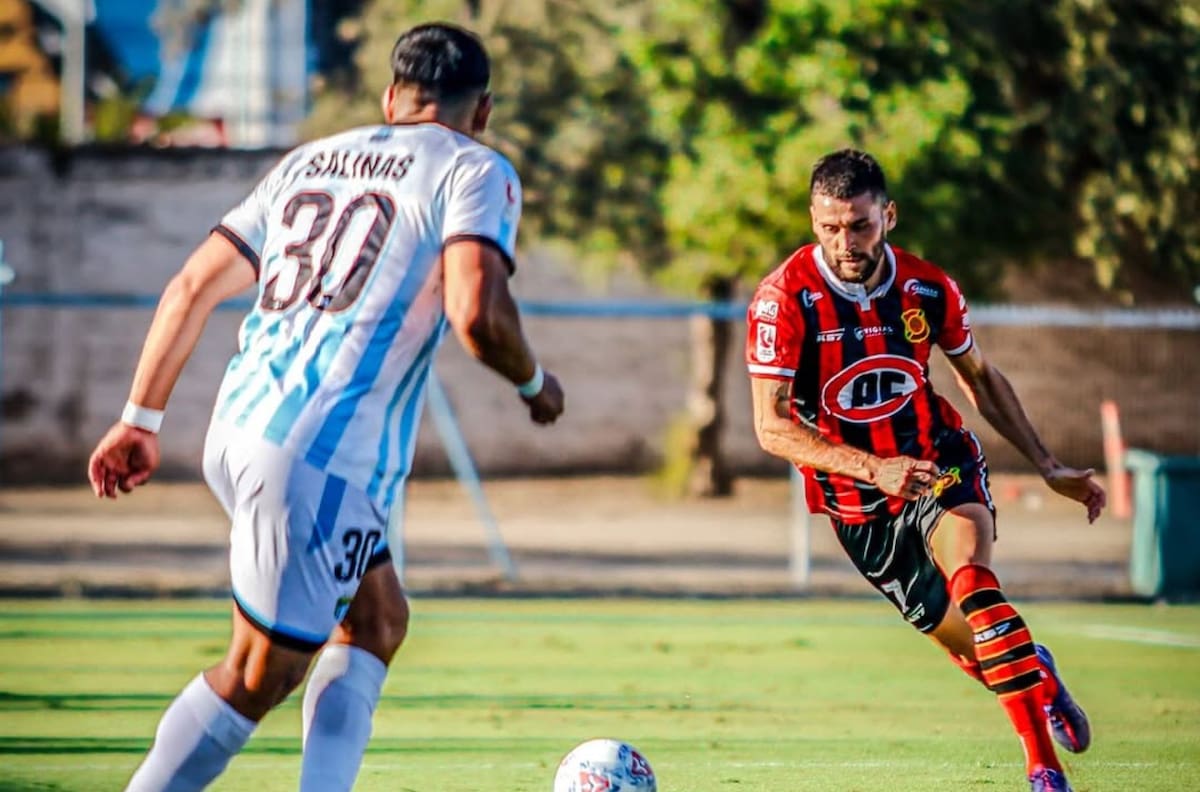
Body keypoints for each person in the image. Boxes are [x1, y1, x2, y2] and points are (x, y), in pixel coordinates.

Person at [87, 22, 564, 792]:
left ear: (390, 98)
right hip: (318, 457)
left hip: (243, 427)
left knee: (376, 621)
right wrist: (536, 385)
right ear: (481, 111)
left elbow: (192, 285)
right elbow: (479, 316)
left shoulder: (307, 160)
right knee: (254, 676)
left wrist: (140, 420)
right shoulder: (474, 169)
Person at [745, 149, 1103, 792]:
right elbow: (771, 428)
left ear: (889, 215)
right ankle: (1039, 674)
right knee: (975, 650)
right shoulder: (783, 301)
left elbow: (981, 380)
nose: (844, 242)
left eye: (859, 225)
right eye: (829, 227)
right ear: (813, 219)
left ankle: (1043, 771)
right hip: (858, 505)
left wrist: (1046, 465)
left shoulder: (927, 287)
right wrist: (872, 468)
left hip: (939, 464)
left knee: (976, 586)